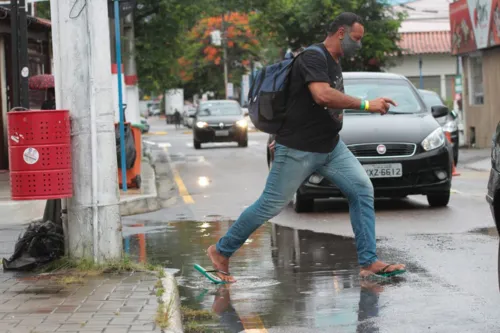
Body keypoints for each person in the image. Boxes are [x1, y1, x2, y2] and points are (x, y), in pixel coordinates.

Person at [206, 12, 405, 282]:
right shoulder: (314, 57)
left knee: (361, 190)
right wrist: (367, 104)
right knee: (270, 205)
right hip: (298, 149)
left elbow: (304, 104)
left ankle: (369, 262)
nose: (359, 45)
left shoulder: (334, 61)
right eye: (356, 39)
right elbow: (322, 95)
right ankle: (221, 251)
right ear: (342, 33)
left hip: (330, 148)